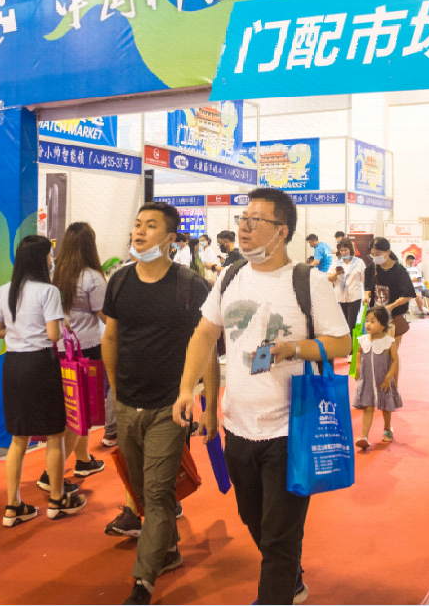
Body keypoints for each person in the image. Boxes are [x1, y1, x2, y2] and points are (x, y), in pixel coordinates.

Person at [174, 188, 351, 605]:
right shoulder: (230, 276)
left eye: (256, 221)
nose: (244, 228)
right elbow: (205, 334)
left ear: (282, 230)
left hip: (290, 428)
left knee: (278, 535)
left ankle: (278, 591)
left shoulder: (307, 282)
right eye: (243, 219)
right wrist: (187, 390)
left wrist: (293, 349)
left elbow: (342, 343)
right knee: (251, 517)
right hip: (238, 425)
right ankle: (291, 578)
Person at [101, 202, 209, 605]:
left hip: (170, 406)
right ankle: (169, 548)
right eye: (137, 225)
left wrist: (207, 405)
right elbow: (111, 338)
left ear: (170, 238)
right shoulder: (120, 281)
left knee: (159, 492)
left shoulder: (190, 285)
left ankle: (142, 583)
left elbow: (208, 346)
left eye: (150, 226)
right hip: (128, 404)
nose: (139, 232)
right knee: (143, 490)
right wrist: (117, 394)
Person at [0, 235, 87, 527]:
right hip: (41, 364)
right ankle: (57, 500)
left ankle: (13, 505)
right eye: (49, 255)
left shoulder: (4, 290)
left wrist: (18, 332)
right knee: (55, 433)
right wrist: (61, 324)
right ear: (41, 259)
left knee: (19, 438)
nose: (52, 260)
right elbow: (54, 335)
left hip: (13, 365)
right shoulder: (48, 291)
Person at [51, 221, 107, 481]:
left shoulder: (56, 273)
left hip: (60, 349)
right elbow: (105, 315)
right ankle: (51, 474)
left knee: (71, 409)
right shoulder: (92, 277)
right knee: (80, 412)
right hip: (86, 350)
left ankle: (83, 460)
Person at [366, 237, 415, 388]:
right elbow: (368, 286)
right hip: (375, 319)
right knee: (375, 354)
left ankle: (393, 388)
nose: (375, 257)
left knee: (390, 355)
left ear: (388, 252)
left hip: (393, 319)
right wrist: (367, 296)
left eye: (378, 254)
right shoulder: (372, 268)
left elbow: (409, 294)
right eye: (373, 254)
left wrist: (392, 306)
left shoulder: (400, 271)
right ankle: (377, 386)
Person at [353, 305, 402, 447]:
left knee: (386, 406)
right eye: (367, 321)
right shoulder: (362, 340)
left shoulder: (389, 342)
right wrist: (357, 367)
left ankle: (387, 428)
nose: (368, 324)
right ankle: (364, 436)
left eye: (372, 321)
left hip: (383, 382)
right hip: (368, 382)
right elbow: (358, 353)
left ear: (383, 325)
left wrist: (389, 377)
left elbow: (395, 360)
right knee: (368, 408)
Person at [328, 238, 366, 331]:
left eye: (345, 250)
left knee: (351, 324)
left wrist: (366, 295)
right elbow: (329, 280)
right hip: (339, 297)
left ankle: (350, 340)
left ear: (350, 249)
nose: (344, 253)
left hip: (354, 297)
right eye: (341, 250)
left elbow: (365, 280)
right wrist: (336, 273)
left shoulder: (359, 262)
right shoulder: (336, 262)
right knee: (341, 324)